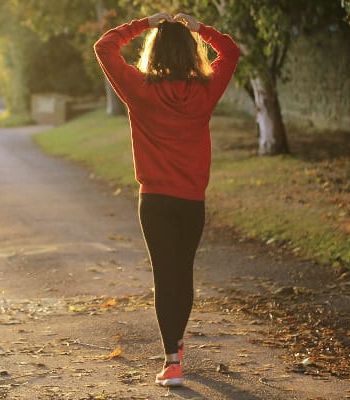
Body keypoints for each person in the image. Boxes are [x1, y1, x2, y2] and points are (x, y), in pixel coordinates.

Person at [94, 12, 240, 387]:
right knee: (183, 272)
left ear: (154, 52)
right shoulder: (205, 90)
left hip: (155, 201)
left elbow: (105, 47)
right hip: (191, 200)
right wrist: (200, 29)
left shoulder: (139, 89)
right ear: (192, 52)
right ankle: (175, 344)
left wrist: (145, 23)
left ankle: (172, 360)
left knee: (164, 275)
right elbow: (231, 51)